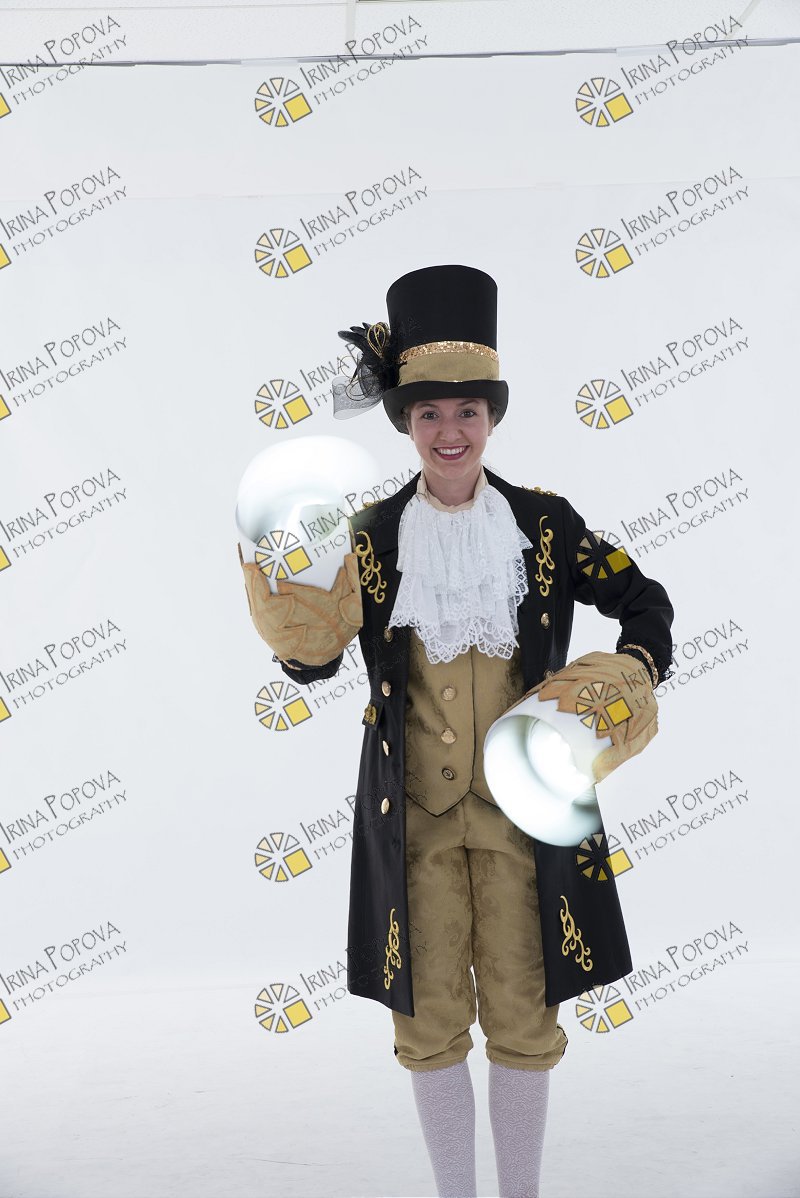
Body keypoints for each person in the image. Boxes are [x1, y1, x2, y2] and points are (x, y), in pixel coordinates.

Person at [239, 264, 674, 1198]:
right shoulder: (366, 536)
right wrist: (294, 627)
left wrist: (630, 673)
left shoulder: (545, 527)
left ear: (491, 419)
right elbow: (315, 664)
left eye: (467, 412)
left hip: (526, 822)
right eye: (430, 413)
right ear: (406, 423)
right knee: (428, 1022)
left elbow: (644, 600)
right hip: (415, 826)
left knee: (525, 1013)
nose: (450, 431)